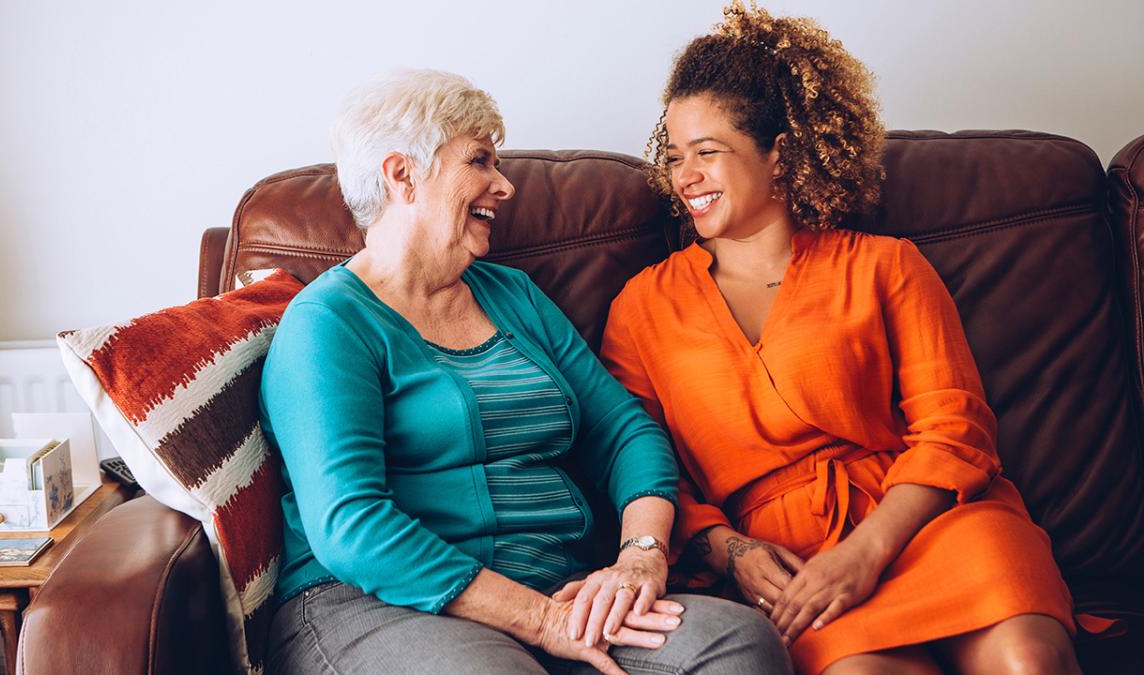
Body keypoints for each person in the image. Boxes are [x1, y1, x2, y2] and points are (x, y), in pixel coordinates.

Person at [258, 69, 791, 675]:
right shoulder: (329, 323)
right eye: (480, 161)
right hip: (381, 605)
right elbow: (349, 524)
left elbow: (623, 430)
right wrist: (542, 621)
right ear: (402, 174)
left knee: (737, 643)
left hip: (562, 584)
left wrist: (640, 555)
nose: (503, 185)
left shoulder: (512, 294)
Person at [599, 4, 1080, 674]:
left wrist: (867, 552)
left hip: (924, 523)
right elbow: (644, 468)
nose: (685, 176)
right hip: (793, 566)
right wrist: (730, 550)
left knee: (1027, 657)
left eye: (708, 153)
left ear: (781, 157)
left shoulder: (885, 264)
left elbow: (955, 429)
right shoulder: (642, 306)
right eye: (675, 156)